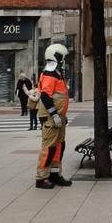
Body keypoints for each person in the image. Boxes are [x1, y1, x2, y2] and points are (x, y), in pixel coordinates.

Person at [35, 44, 73, 189]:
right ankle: (41, 177)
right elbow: (45, 95)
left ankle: (54, 174)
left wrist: (61, 116)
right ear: (57, 57)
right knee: (49, 148)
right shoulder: (50, 74)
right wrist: (54, 114)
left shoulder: (57, 73)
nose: (64, 60)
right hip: (52, 118)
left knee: (59, 147)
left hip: (58, 117)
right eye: (63, 57)